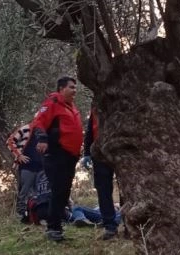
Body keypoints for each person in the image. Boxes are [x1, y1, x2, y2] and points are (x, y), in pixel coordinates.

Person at [30, 77, 83, 242]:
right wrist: (42, 139)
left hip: (70, 156)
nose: (75, 90)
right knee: (58, 190)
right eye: (71, 87)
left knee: (64, 192)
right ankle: (53, 229)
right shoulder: (52, 103)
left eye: (75, 88)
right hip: (56, 153)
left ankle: (57, 227)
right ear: (61, 88)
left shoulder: (71, 106)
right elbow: (38, 122)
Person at [80, 107, 120, 240]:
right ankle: (110, 226)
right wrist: (87, 153)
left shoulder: (122, 102)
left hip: (120, 150)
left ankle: (128, 224)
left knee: (125, 188)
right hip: (100, 153)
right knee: (103, 189)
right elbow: (90, 130)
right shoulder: (96, 106)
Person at [7, 122, 43, 222]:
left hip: (42, 167)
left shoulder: (46, 130)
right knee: (24, 191)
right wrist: (19, 155)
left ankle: (38, 215)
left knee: (41, 192)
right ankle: (21, 214)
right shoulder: (26, 128)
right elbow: (10, 141)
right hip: (27, 165)